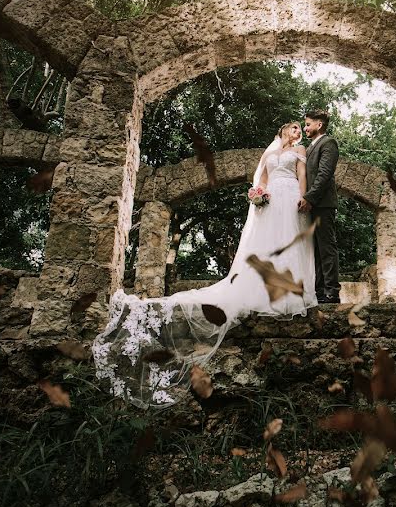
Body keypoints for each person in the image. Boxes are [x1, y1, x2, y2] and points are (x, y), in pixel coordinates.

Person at [92, 122, 317, 408]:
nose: (298, 132)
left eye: (301, 129)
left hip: (289, 196)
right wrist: (258, 193)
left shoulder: (300, 150)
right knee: (265, 245)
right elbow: (260, 174)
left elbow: (301, 175)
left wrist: (303, 197)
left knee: (286, 242)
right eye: (295, 128)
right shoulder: (270, 151)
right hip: (271, 199)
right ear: (284, 130)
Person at [298, 109, 341, 304]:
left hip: (322, 204)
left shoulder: (328, 143)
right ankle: (319, 291)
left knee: (326, 247)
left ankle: (331, 291)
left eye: (307, 124)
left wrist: (309, 198)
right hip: (312, 205)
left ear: (319, 124)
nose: (305, 128)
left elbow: (324, 175)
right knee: (315, 249)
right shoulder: (308, 148)